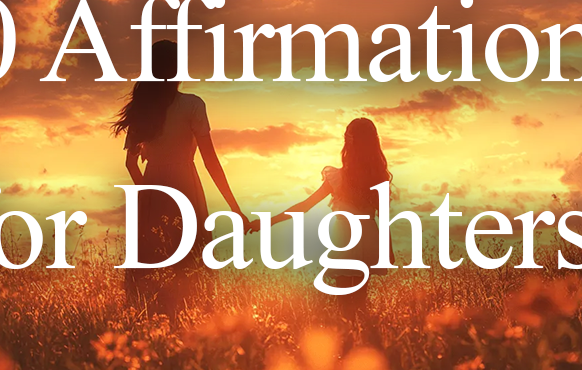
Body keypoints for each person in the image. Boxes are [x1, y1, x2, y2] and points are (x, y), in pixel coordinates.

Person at [111, 40, 250, 318]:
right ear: (177, 69)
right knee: (190, 261)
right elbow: (211, 161)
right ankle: (192, 320)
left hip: (152, 187)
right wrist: (235, 209)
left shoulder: (142, 109)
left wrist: (148, 193)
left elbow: (130, 163)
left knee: (150, 260)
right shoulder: (192, 105)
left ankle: (148, 320)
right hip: (186, 185)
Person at [248, 118, 394, 331]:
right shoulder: (377, 177)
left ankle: (348, 348)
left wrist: (268, 222)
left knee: (345, 304)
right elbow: (385, 217)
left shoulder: (339, 177)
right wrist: (386, 248)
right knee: (360, 302)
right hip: (368, 237)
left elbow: (305, 206)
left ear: (348, 143)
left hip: (346, 237)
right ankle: (361, 347)